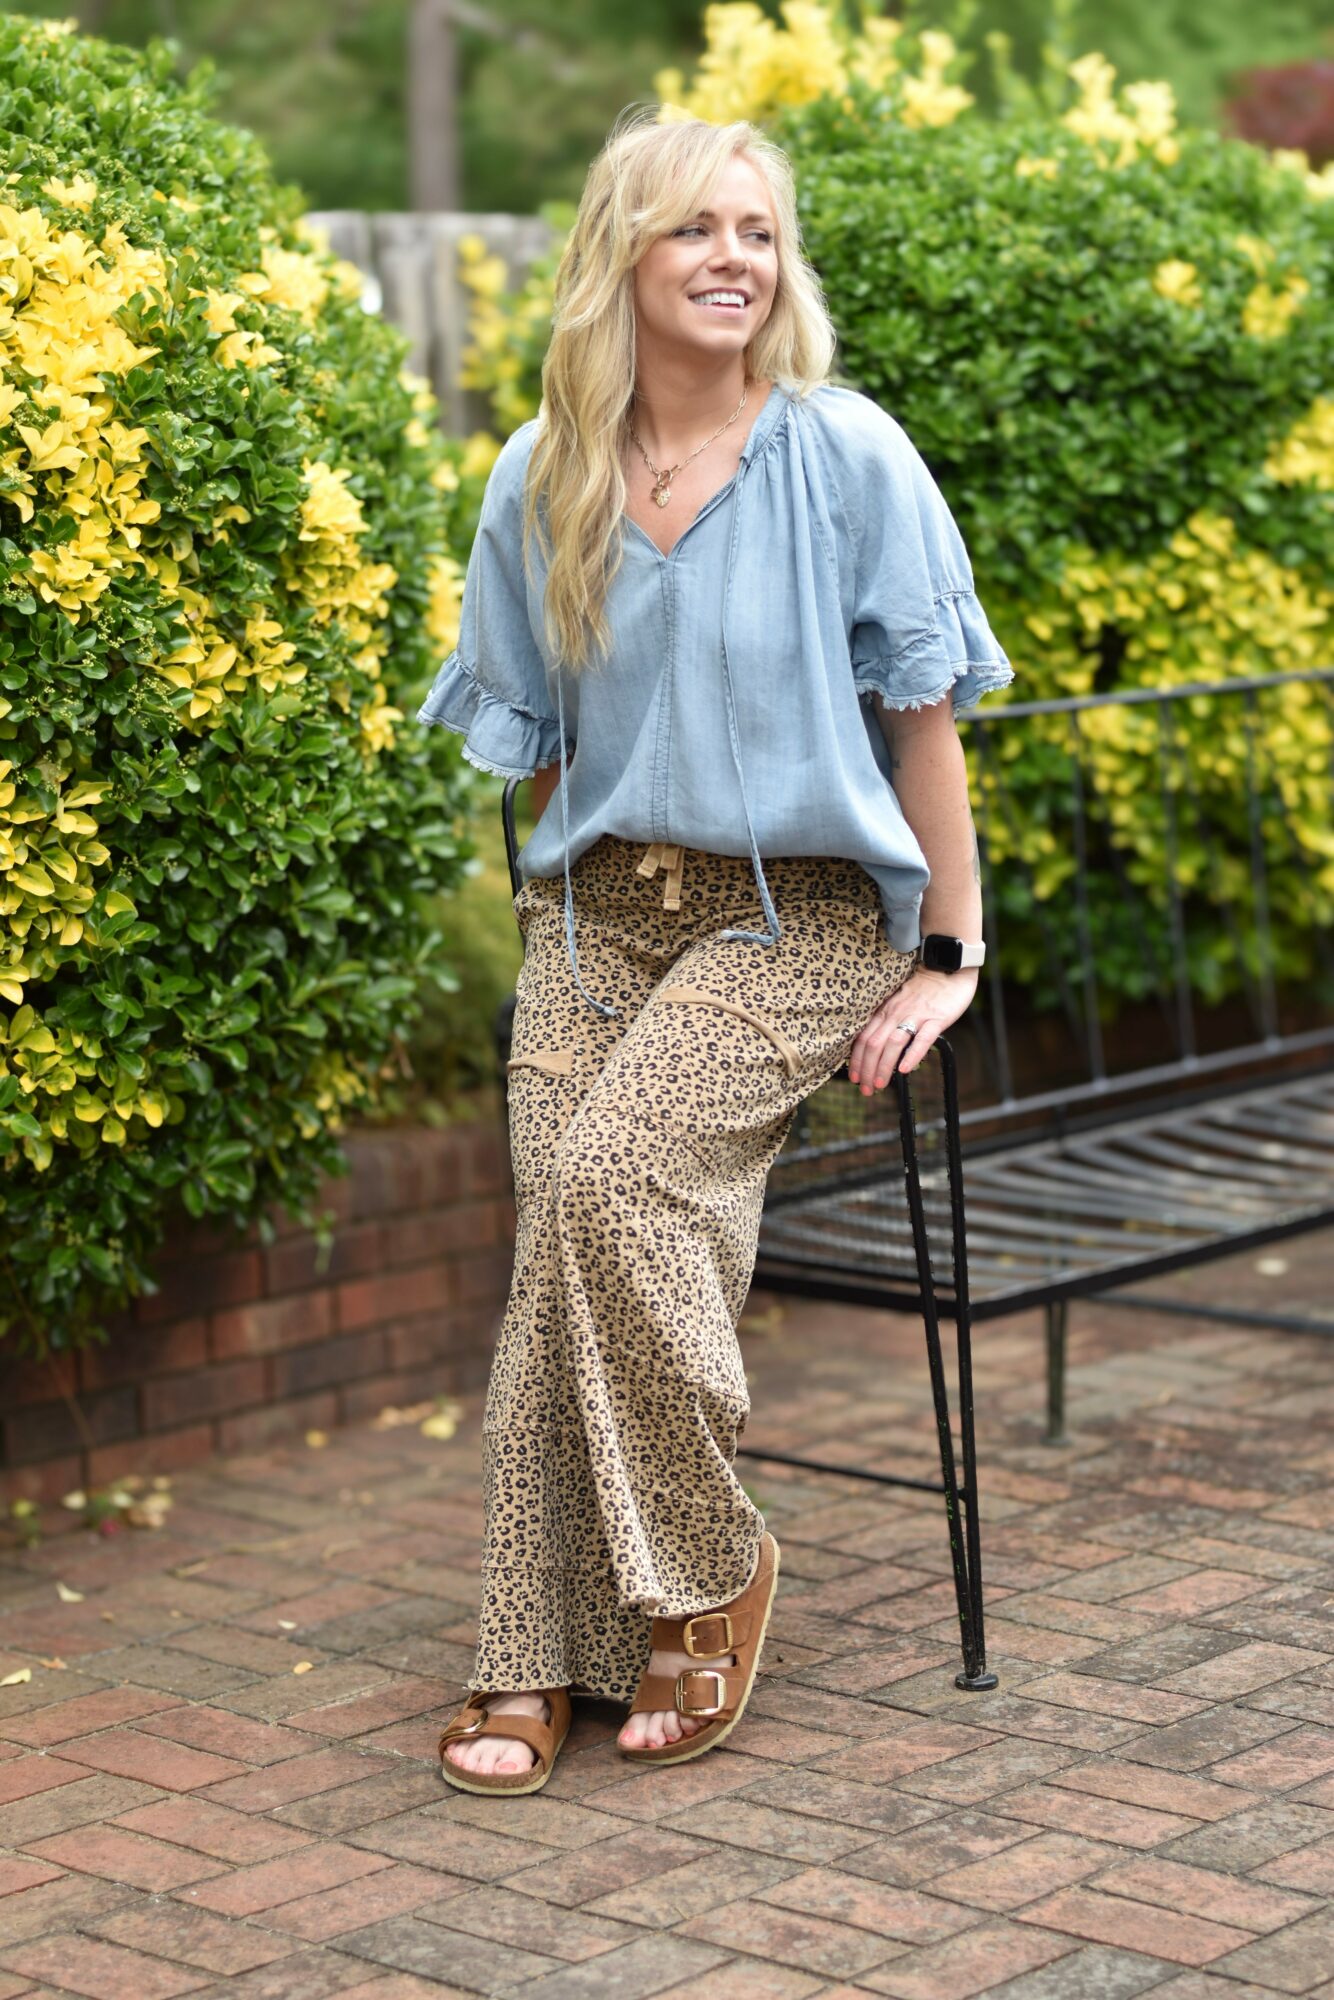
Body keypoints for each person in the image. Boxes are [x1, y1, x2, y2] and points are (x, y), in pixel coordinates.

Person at [424, 107, 1014, 1795]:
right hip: (599, 914)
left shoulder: (844, 455)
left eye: (756, 231)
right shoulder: (540, 474)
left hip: (798, 918)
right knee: (557, 1247)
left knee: (610, 1181)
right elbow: (541, 746)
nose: (732, 258)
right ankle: (532, 1649)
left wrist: (948, 952)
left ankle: (704, 1570)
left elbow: (920, 717)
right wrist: (550, 919)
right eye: (695, 227)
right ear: (621, 253)